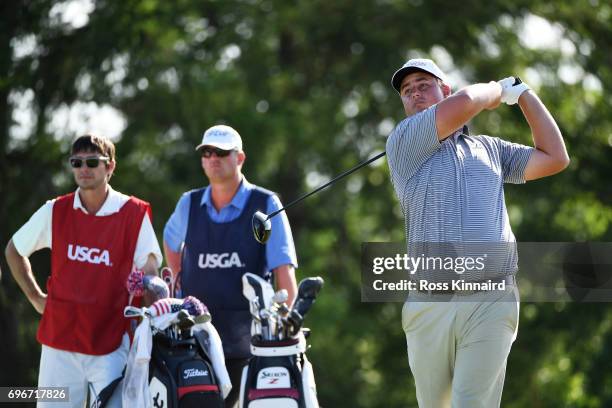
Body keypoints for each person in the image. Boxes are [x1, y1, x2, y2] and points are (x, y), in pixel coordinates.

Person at [386, 58, 569, 407]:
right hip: (430, 303)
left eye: (424, 85)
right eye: (407, 92)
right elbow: (469, 103)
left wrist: (525, 95)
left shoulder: (491, 150)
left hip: (492, 296)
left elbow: (555, 157)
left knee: (471, 403)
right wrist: (497, 91)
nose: (415, 94)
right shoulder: (404, 142)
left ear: (445, 90)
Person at [5, 135, 163, 408]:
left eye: (92, 162)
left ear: (110, 167)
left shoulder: (133, 213)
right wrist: (35, 297)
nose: (84, 168)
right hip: (59, 344)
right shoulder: (55, 210)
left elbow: (150, 276)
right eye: (77, 162)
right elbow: (14, 250)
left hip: (111, 343)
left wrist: (154, 334)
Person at [163, 124, 298, 407]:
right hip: (195, 342)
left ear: (240, 158)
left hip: (247, 344)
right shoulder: (189, 202)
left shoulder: (265, 203)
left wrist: (285, 331)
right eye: (207, 152)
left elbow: (284, 276)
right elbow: (170, 240)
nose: (214, 158)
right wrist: (177, 278)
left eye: (222, 152)